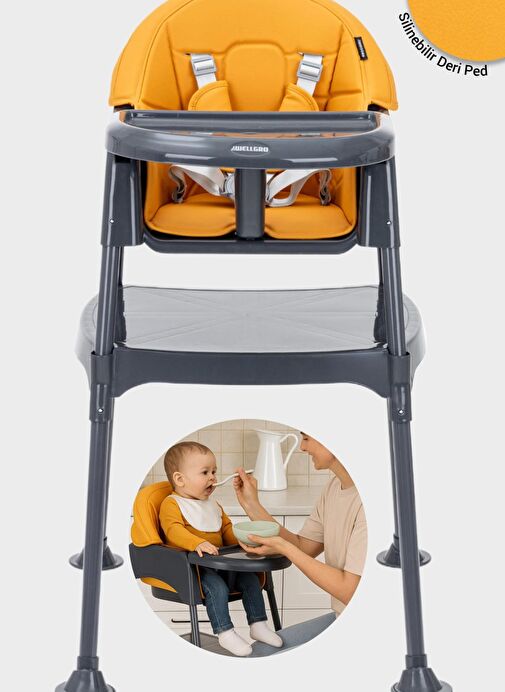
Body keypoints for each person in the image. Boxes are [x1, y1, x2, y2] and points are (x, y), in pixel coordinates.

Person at [233, 432, 367, 655]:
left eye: (306, 439)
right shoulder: (334, 486)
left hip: (366, 626)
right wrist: (251, 504)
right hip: (342, 615)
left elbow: (350, 591)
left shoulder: (367, 503)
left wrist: (283, 548)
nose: (302, 448)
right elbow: (304, 546)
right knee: (259, 652)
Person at [159, 441, 282, 656]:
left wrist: (242, 542)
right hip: (196, 569)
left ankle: (258, 625)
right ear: (180, 479)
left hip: (222, 563)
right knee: (217, 588)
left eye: (214, 471)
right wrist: (196, 543)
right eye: (205, 472)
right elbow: (173, 530)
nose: (213, 478)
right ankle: (225, 632)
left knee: (251, 580)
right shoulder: (172, 504)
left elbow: (225, 528)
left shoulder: (213, 504)